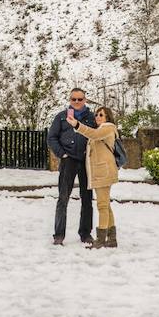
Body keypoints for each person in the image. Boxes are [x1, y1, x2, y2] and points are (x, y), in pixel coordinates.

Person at [47, 88, 96, 245]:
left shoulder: (92, 117)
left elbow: (98, 135)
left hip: (86, 161)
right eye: (73, 99)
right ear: (70, 100)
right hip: (69, 160)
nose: (76, 102)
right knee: (63, 198)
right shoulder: (61, 117)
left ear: (84, 100)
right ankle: (59, 235)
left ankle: (85, 233)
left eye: (79, 99)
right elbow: (52, 138)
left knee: (87, 199)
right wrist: (62, 154)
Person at [66, 105, 119, 249]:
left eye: (101, 115)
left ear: (107, 117)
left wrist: (77, 124)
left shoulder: (108, 128)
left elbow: (93, 135)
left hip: (104, 172)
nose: (97, 117)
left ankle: (101, 240)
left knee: (102, 206)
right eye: (96, 115)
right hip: (101, 172)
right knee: (106, 205)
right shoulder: (101, 129)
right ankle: (112, 239)